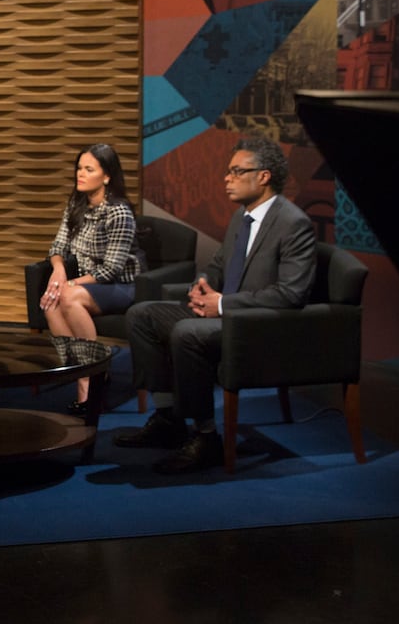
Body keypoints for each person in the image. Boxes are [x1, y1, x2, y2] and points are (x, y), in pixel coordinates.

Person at [115, 136, 316, 474]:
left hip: (256, 325)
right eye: (228, 171)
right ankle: (167, 418)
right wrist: (202, 285)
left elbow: (291, 293)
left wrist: (223, 305)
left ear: (264, 176)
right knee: (141, 314)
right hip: (223, 315)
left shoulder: (293, 223)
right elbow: (220, 265)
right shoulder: (242, 217)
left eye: (237, 171)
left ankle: (206, 437)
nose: (227, 178)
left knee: (186, 332)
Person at [36, 143, 145, 415]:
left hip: (123, 286)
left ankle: (95, 380)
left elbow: (110, 270)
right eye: (79, 168)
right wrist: (59, 272)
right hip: (89, 284)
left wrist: (69, 284)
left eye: (88, 169)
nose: (80, 174)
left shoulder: (118, 212)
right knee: (49, 302)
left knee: (68, 297)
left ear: (106, 176)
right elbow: (57, 247)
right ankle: (83, 379)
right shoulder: (76, 204)